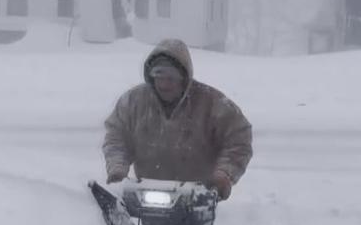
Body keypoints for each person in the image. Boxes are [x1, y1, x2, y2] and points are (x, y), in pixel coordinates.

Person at [101, 38, 253, 200]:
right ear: (150, 75)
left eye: (171, 78)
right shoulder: (133, 102)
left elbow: (238, 138)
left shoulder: (212, 103)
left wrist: (224, 174)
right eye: (159, 75)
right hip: (145, 195)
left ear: (184, 77)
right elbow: (116, 137)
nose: (164, 84)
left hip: (197, 197)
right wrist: (117, 168)